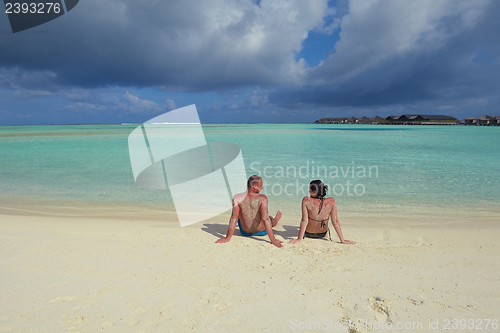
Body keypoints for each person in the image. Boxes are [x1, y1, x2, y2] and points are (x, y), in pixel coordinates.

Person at [216, 175, 283, 248]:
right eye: (261, 185)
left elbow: (233, 219)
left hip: (244, 232)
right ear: (254, 186)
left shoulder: (237, 198)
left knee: (238, 214)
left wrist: (227, 238)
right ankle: (276, 218)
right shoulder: (262, 198)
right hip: (261, 232)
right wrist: (273, 239)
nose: (262, 187)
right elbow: (265, 219)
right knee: (270, 219)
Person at [289, 180, 355, 245]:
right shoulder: (331, 201)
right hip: (322, 234)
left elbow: (304, 221)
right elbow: (335, 221)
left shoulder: (306, 200)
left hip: (309, 233)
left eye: (309, 190)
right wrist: (342, 240)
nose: (308, 192)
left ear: (314, 191)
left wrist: (299, 239)